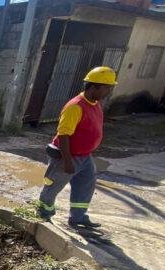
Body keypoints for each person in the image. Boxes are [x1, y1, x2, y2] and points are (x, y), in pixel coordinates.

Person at [36, 66, 117, 229]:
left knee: (86, 185)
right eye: (106, 88)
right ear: (94, 87)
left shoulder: (95, 104)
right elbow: (64, 135)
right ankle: (44, 214)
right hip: (67, 156)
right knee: (53, 185)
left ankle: (78, 218)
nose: (108, 92)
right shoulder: (75, 106)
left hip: (85, 156)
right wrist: (67, 161)